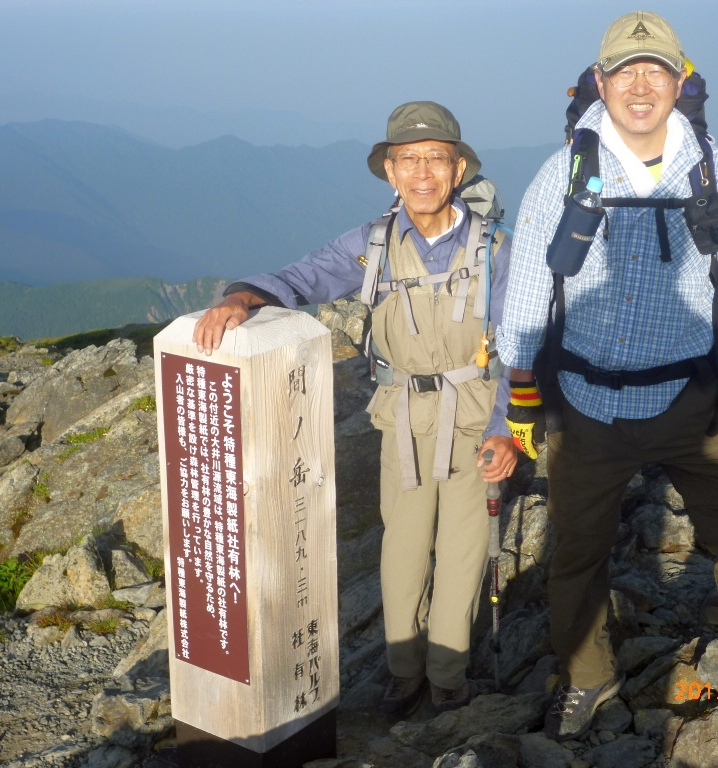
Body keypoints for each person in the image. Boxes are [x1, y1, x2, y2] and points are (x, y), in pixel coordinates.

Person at [497, 11, 718, 741]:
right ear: (600, 82)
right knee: (579, 547)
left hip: (694, 398)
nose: (641, 85)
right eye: (625, 71)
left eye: (657, 70)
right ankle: (588, 678)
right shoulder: (562, 171)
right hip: (586, 402)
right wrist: (524, 391)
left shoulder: (714, 168)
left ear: (681, 81)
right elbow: (527, 285)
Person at [193, 101, 516, 716]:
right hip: (400, 417)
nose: (423, 174)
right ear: (390, 172)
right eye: (408, 161)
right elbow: (305, 277)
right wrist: (242, 297)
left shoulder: (496, 248)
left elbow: (524, 346)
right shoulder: (370, 244)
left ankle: (447, 676)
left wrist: (508, 430)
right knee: (402, 545)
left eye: (436, 160)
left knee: (466, 546)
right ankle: (403, 670)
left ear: (458, 169)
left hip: (473, 415)